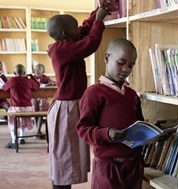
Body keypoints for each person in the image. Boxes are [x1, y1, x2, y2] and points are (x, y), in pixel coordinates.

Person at [46, 3, 109, 189]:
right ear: (66, 34)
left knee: (69, 156)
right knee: (64, 158)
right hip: (66, 109)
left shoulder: (66, 42)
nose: (78, 30)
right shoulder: (61, 49)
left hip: (71, 105)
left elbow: (83, 31)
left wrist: (95, 15)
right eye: (74, 28)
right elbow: (90, 44)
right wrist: (98, 21)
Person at [76, 38, 145, 189]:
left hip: (134, 166)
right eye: (121, 63)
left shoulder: (132, 94)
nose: (126, 69)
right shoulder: (94, 93)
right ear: (107, 58)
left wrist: (148, 135)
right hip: (108, 166)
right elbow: (83, 129)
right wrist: (106, 133)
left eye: (131, 65)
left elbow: (140, 123)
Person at [2, 64, 40, 149]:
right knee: (22, 120)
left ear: (14, 72)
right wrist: (32, 77)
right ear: (25, 73)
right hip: (28, 108)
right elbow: (37, 86)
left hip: (16, 108)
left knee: (11, 121)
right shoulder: (28, 81)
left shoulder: (12, 80)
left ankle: (14, 140)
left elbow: (4, 88)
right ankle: (22, 137)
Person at [32, 63, 56, 136]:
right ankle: (37, 130)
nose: (37, 72)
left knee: (41, 110)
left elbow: (54, 83)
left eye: (39, 70)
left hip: (42, 99)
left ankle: (38, 130)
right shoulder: (32, 77)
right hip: (34, 99)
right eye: (36, 70)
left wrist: (50, 83)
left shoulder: (45, 78)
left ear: (43, 72)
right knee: (34, 110)